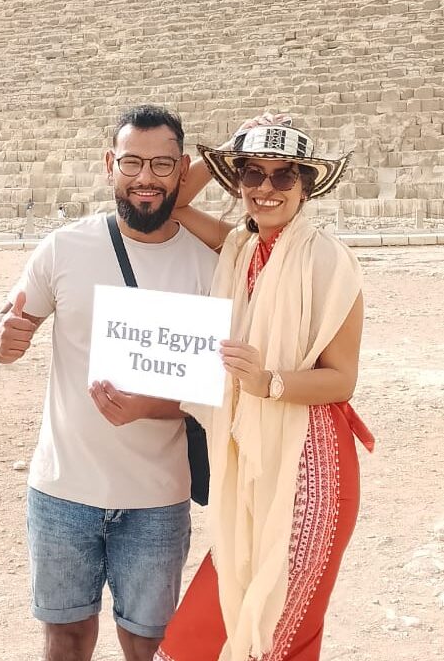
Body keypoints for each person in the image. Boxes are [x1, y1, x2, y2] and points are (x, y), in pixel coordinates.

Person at [0, 105, 218, 661]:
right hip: (63, 490)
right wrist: (2, 338)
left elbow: (212, 392)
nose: (145, 178)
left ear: (184, 170)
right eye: (132, 161)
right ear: (109, 164)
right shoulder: (65, 247)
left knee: (149, 645)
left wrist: (148, 407)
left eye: (162, 164)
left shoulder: (212, 266)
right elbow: (3, 326)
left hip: (157, 498)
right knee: (64, 641)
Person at [156, 118, 373, 661]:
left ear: (307, 186)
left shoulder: (329, 261)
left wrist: (267, 382)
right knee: (202, 634)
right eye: (253, 175)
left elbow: (342, 379)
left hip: (309, 469)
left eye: (283, 177)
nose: (265, 189)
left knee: (279, 631)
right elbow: (175, 203)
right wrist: (230, 148)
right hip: (251, 468)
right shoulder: (238, 248)